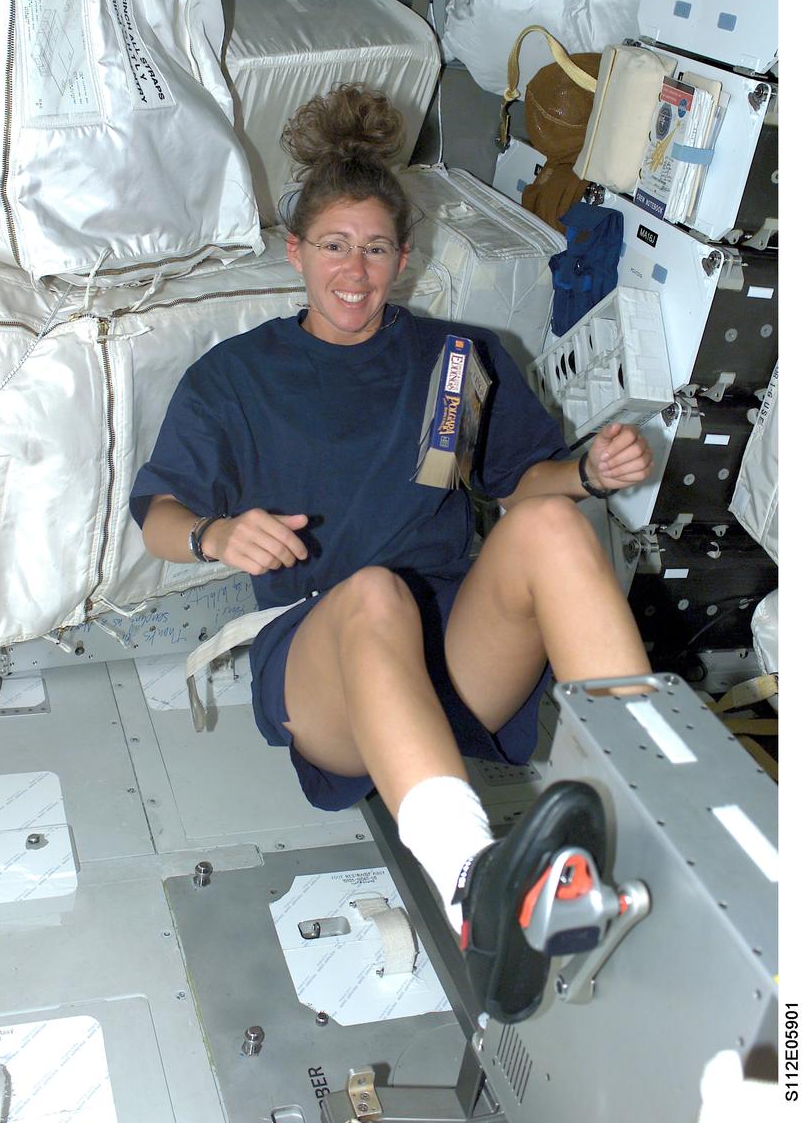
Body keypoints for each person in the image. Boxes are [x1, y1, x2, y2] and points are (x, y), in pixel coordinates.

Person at [130, 84, 654, 1016]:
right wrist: (213, 533)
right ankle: (472, 884)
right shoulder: (235, 378)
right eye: (333, 245)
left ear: (403, 260)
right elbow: (158, 514)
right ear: (294, 251)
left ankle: (653, 810)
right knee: (374, 593)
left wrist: (587, 474)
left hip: (456, 648)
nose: (354, 269)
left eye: (375, 248)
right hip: (324, 656)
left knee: (550, 526)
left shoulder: (457, 357)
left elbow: (519, 483)